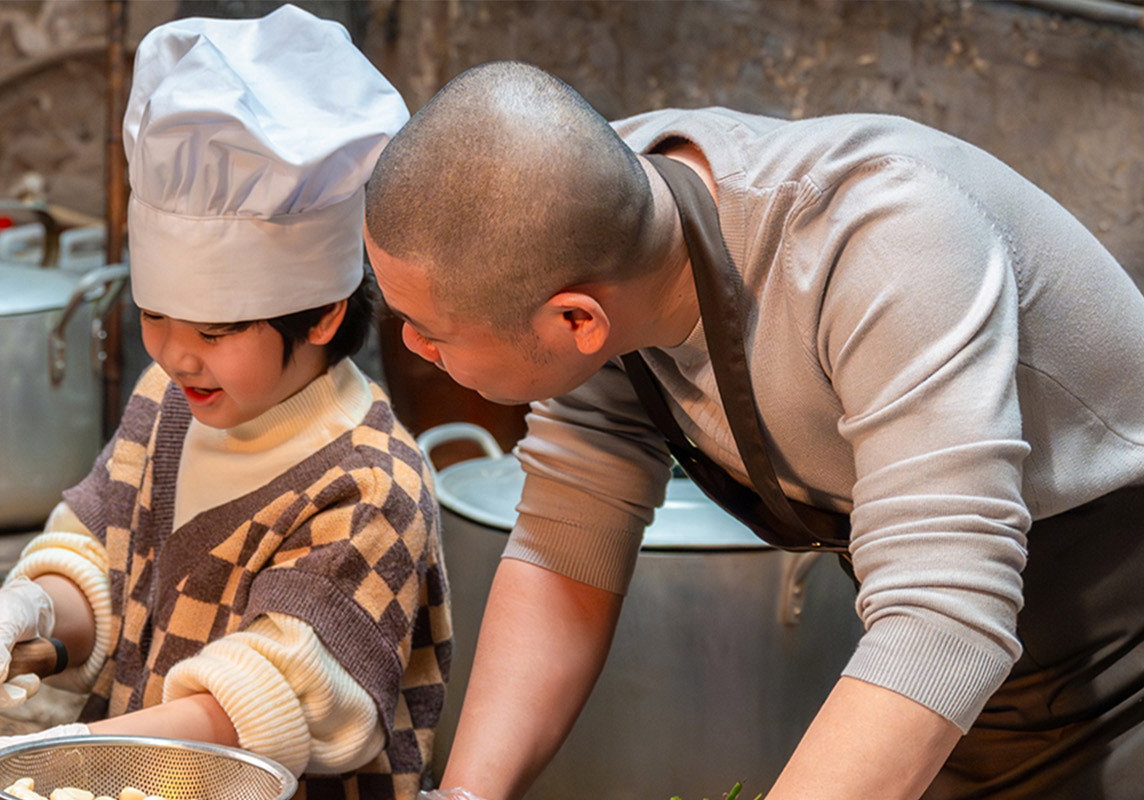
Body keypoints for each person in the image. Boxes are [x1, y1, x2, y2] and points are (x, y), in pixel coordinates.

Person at [362, 61, 1144, 799]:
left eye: (431, 329)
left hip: (1107, 624)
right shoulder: (585, 223)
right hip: (955, 629)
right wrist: (464, 792)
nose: (412, 350)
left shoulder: (885, 244)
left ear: (577, 319)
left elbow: (944, 620)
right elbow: (567, 540)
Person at [0, 8, 451, 800]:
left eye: (213, 328)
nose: (174, 353)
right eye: (155, 314)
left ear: (323, 315)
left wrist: (15, 766)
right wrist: (33, 612)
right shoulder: (171, 404)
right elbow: (100, 560)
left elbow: (252, 710)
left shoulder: (372, 487)